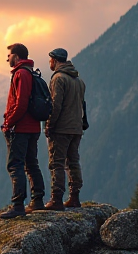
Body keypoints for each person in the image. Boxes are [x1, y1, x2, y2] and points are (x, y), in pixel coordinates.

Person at [0, 43, 45, 219]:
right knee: (31, 163)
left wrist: (8, 123)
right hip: (33, 127)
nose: (7, 58)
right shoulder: (31, 73)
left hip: (21, 128)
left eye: (9, 55)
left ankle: (18, 205)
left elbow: (21, 104)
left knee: (15, 164)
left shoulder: (21, 74)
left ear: (17, 57)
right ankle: (37, 200)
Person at [44, 48, 86, 211]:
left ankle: (56, 199)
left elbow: (55, 105)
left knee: (57, 163)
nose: (49, 63)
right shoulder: (78, 80)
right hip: (76, 128)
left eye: (50, 60)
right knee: (73, 162)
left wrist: (50, 125)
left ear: (54, 60)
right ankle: (74, 197)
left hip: (61, 128)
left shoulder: (58, 79)